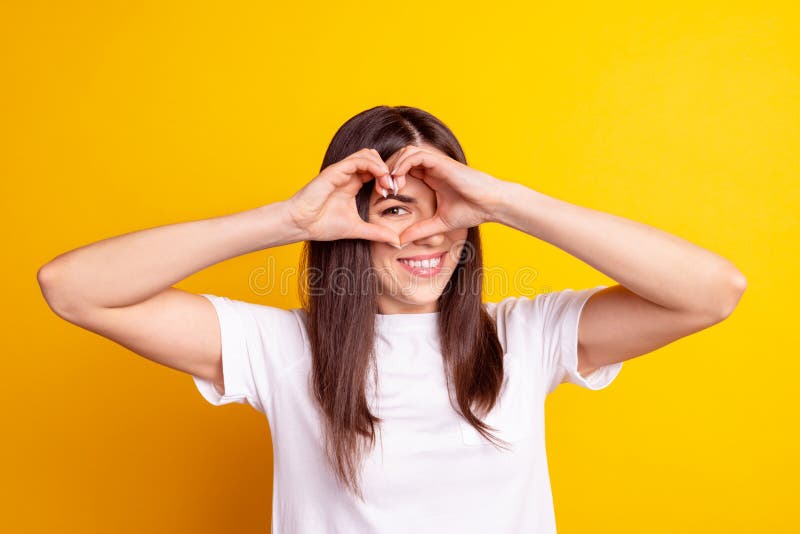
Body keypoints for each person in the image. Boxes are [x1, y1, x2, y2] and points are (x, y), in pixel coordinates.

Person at [37, 105, 747, 533]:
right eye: (400, 212)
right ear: (349, 228)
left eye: (450, 212)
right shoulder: (282, 349)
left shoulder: (525, 338)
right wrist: (287, 220)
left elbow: (713, 291)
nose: (432, 237)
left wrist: (504, 201)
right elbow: (72, 288)